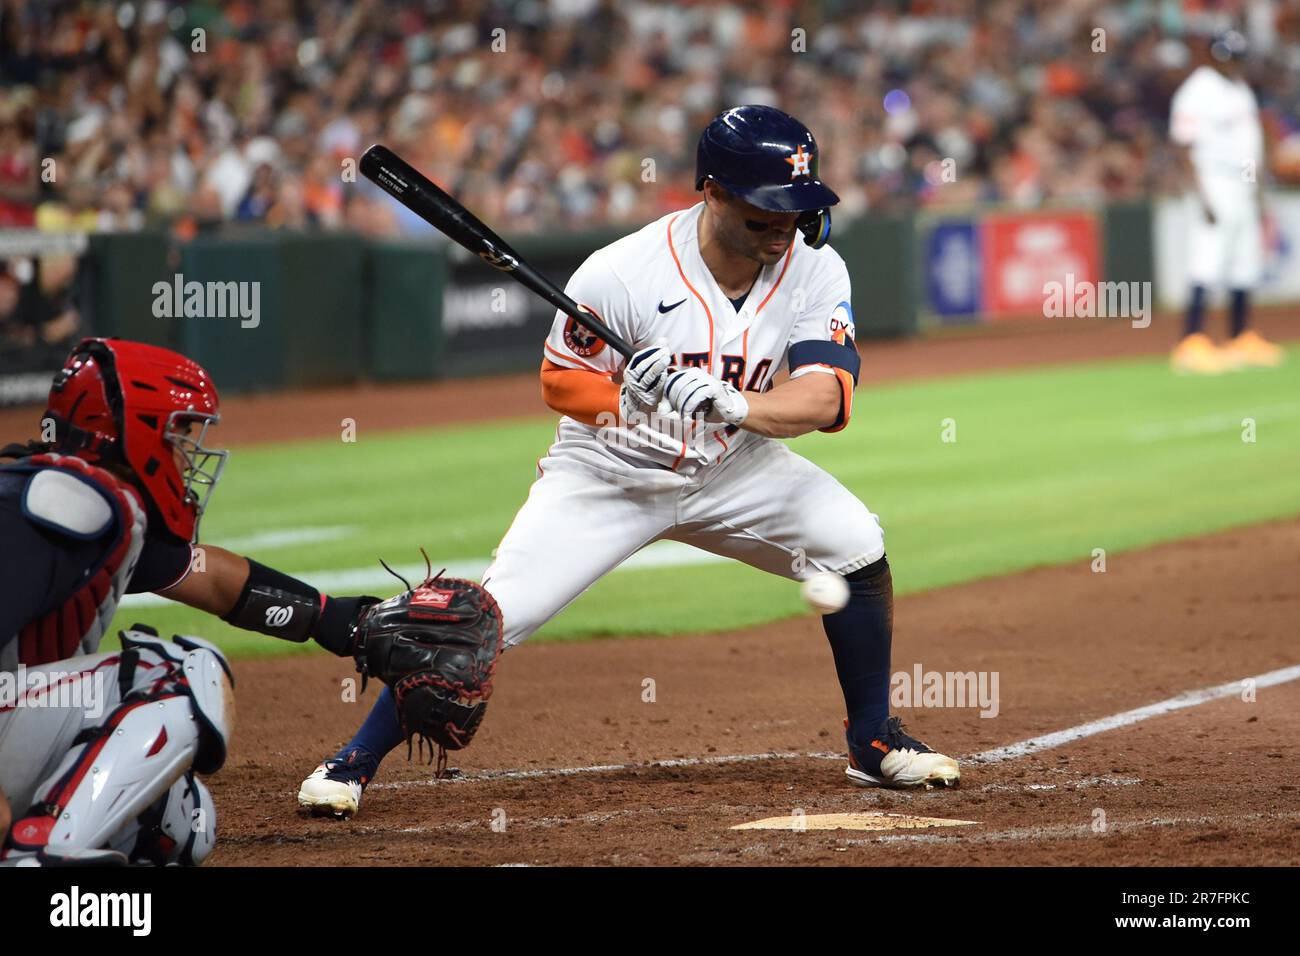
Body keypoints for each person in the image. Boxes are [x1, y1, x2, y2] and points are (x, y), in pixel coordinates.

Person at [297, 105, 961, 819]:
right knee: (484, 621)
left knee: (855, 544)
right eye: (767, 210)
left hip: (736, 467)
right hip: (608, 475)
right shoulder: (620, 271)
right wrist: (631, 399)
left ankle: (873, 742)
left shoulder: (815, 269)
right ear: (712, 191)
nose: (785, 226)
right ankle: (353, 761)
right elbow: (558, 382)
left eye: (798, 209)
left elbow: (828, 398)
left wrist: (735, 406)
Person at [0, 338, 377, 864]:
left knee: (175, 821)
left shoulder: (83, 501)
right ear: (135, 429)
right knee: (174, 674)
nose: (187, 451)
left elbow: (212, 578)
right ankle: (39, 856)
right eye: (178, 431)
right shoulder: (65, 503)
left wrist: (345, 623)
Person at [1169, 30, 1284, 374]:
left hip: (1244, 183)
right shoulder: (1197, 90)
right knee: (1207, 259)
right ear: (1216, 56)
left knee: (1244, 261)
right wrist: (1202, 196)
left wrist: (1260, 196)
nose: (1234, 62)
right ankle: (1192, 340)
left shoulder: (1239, 88)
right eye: (1230, 56)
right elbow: (1183, 146)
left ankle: (1240, 337)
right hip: (1213, 180)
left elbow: (1252, 144)